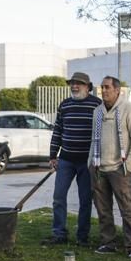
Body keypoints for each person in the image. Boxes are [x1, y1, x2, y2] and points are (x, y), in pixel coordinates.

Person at [89, 76, 131, 259]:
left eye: (107, 87)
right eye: (101, 87)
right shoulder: (97, 112)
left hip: (119, 169)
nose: (103, 91)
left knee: (127, 210)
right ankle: (108, 243)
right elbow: (93, 140)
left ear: (117, 90)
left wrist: (127, 166)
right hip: (98, 168)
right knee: (103, 209)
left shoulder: (128, 109)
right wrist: (91, 162)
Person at [46, 72, 102, 246]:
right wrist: (53, 155)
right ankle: (59, 233)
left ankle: (82, 236)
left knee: (85, 200)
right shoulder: (65, 105)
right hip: (66, 160)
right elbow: (58, 130)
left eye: (79, 83)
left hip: (87, 161)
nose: (74, 86)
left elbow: (101, 134)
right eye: (72, 83)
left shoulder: (97, 105)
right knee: (58, 197)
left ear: (88, 86)